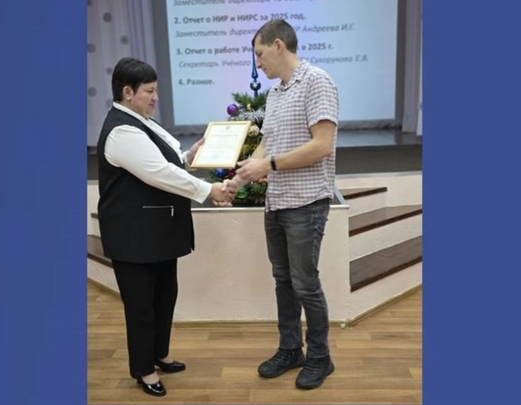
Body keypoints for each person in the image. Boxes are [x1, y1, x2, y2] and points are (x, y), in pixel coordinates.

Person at [96, 57, 236, 397]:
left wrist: (191, 155)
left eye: (156, 90)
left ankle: (158, 354)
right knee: (141, 306)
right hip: (134, 237)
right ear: (127, 92)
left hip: (156, 232)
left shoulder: (141, 121)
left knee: (164, 297)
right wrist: (209, 190)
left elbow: (168, 161)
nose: (155, 97)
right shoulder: (122, 130)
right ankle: (143, 369)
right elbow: (158, 173)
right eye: (149, 91)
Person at [232, 19, 339, 390]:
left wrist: (269, 166)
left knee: (306, 284)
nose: (257, 64)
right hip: (276, 202)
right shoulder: (276, 94)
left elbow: (322, 144)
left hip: (306, 203)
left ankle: (320, 357)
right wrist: (241, 177)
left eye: (260, 54)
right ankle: (291, 349)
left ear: (278, 45)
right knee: (284, 281)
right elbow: (266, 145)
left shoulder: (317, 81)